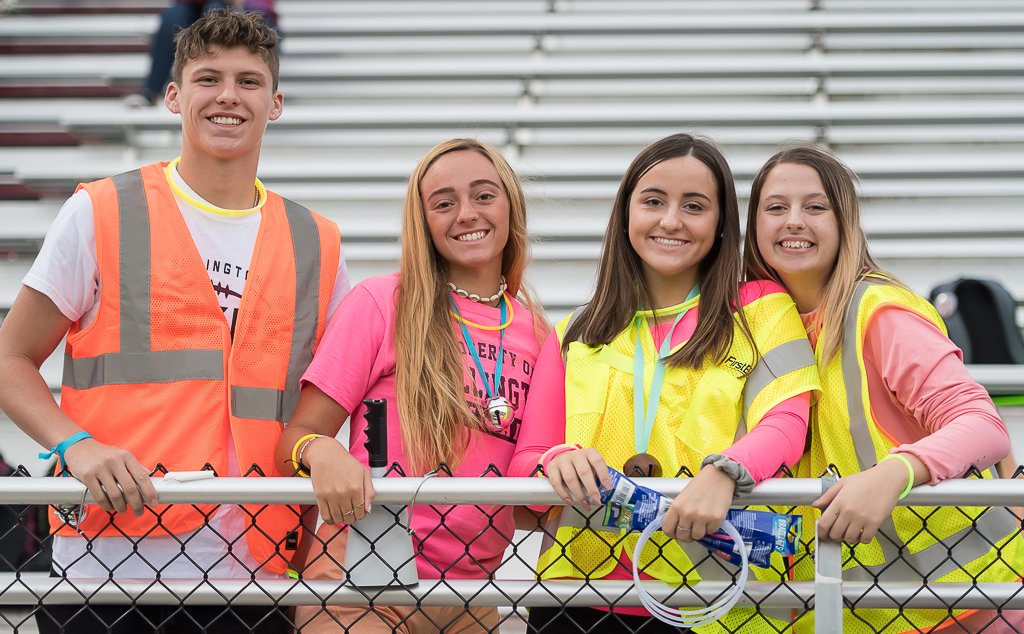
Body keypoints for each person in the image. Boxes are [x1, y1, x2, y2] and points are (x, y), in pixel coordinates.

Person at [0, 10, 349, 633]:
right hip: (109, 560)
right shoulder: (101, 209)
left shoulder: (317, 242)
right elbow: (10, 359)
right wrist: (74, 445)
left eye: (248, 81)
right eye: (208, 78)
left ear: (275, 104)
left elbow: (331, 398)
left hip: (257, 564)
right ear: (172, 95)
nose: (227, 96)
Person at [510, 133, 821, 633]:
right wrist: (556, 460)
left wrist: (725, 473)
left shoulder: (761, 308)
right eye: (653, 201)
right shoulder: (575, 333)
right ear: (625, 214)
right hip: (577, 598)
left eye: (694, 206)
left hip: (717, 599)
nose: (671, 220)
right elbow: (527, 461)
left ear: (721, 224)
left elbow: (786, 422)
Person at [743, 144, 1024, 633]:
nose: (794, 221)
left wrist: (894, 473)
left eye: (815, 206)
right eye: (776, 207)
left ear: (845, 223)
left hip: (968, 603)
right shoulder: (757, 324)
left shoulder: (879, 311)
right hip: (848, 611)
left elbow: (983, 424)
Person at [276, 138, 548, 633]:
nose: (466, 214)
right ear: (423, 221)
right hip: (361, 578)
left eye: (484, 196)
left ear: (511, 205)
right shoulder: (381, 302)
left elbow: (526, 495)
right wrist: (321, 451)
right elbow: (294, 439)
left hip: (471, 594)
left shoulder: (539, 334)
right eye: (443, 203)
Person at [125, 0, 277, 108]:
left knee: (215, 9)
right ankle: (151, 91)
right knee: (173, 16)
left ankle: (216, 82)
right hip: (197, 7)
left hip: (250, 12)